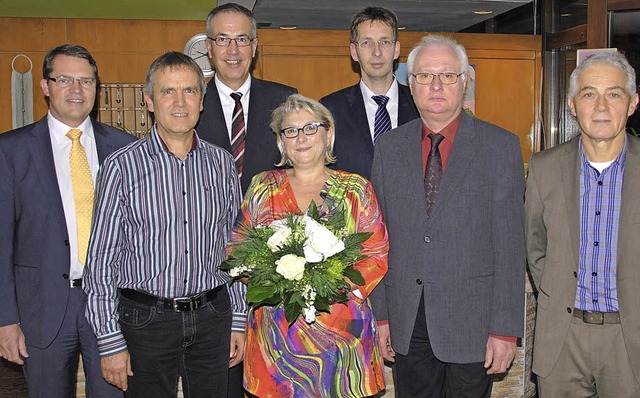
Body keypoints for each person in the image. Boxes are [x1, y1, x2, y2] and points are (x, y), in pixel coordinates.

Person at [369, 34, 526, 397]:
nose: (436, 86)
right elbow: (378, 240)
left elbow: (510, 244)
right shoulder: (389, 148)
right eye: (425, 76)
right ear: (410, 84)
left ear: (464, 81)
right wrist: (382, 315)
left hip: (472, 322)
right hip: (408, 320)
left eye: (448, 75)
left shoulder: (499, 146)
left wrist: (504, 330)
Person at [83, 52, 244, 397]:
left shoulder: (222, 164)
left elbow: (237, 246)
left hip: (213, 316)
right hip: (146, 321)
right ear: (150, 101)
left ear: (202, 101)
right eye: (168, 91)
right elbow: (101, 260)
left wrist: (240, 317)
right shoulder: (121, 167)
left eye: (189, 90)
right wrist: (109, 340)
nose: (180, 101)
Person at [228, 94, 389, 397]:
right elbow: (237, 249)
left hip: (342, 340)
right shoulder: (263, 186)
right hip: (275, 343)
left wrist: (321, 285)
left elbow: (376, 254)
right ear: (281, 142)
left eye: (310, 128)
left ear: (328, 134)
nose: (301, 138)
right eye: (290, 131)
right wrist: (279, 283)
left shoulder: (356, 189)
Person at [0, 44, 135, 397]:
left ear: (96, 87)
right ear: (45, 86)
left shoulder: (124, 148)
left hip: (111, 306)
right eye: (65, 80)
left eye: (86, 81)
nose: (76, 90)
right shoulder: (11, 151)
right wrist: (4, 319)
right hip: (41, 309)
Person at [526, 52, 640, 397]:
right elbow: (536, 247)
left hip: (630, 337)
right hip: (562, 338)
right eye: (589, 94)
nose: (601, 106)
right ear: (573, 105)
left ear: (633, 103)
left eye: (614, 94)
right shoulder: (544, 168)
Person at [197, 2, 298, 194]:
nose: (233, 50)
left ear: (253, 47)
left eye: (242, 39)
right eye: (222, 39)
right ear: (209, 47)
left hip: (270, 220)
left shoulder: (286, 100)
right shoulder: (192, 104)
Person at [320, 6, 418, 179]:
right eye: (367, 42)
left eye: (385, 42)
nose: (377, 52)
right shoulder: (330, 109)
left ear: (396, 49)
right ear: (353, 51)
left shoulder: (420, 104)